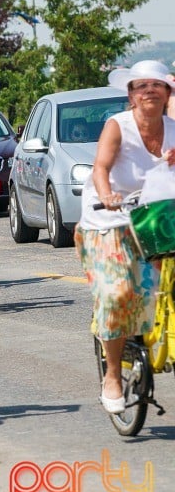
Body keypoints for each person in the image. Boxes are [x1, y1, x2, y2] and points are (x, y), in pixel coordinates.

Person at [76, 60, 175, 414]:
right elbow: (101, 168)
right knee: (118, 294)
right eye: (140, 86)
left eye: (156, 85)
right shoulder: (117, 125)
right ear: (131, 95)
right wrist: (107, 195)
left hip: (156, 219)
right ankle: (113, 375)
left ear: (167, 93)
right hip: (109, 220)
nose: (149, 90)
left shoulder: (174, 129)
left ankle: (150, 331)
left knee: (156, 292)